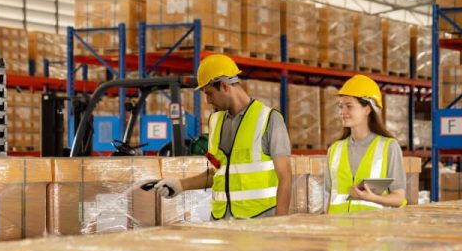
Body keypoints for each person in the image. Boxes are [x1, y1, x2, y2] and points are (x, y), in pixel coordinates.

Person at [153, 54, 293, 219]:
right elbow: (219, 173)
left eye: (209, 93)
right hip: (221, 222)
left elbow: (285, 176)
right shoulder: (216, 121)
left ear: (225, 86)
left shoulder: (269, 119)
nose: (208, 101)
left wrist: (281, 222)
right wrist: (179, 184)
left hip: (258, 223)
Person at [325, 74, 407, 213]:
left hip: (373, 230)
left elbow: (398, 198)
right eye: (340, 106)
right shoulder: (334, 149)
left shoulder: (389, 147)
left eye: (349, 106)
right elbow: (328, 197)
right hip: (338, 230)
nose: (342, 112)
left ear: (367, 110)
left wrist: (372, 197)